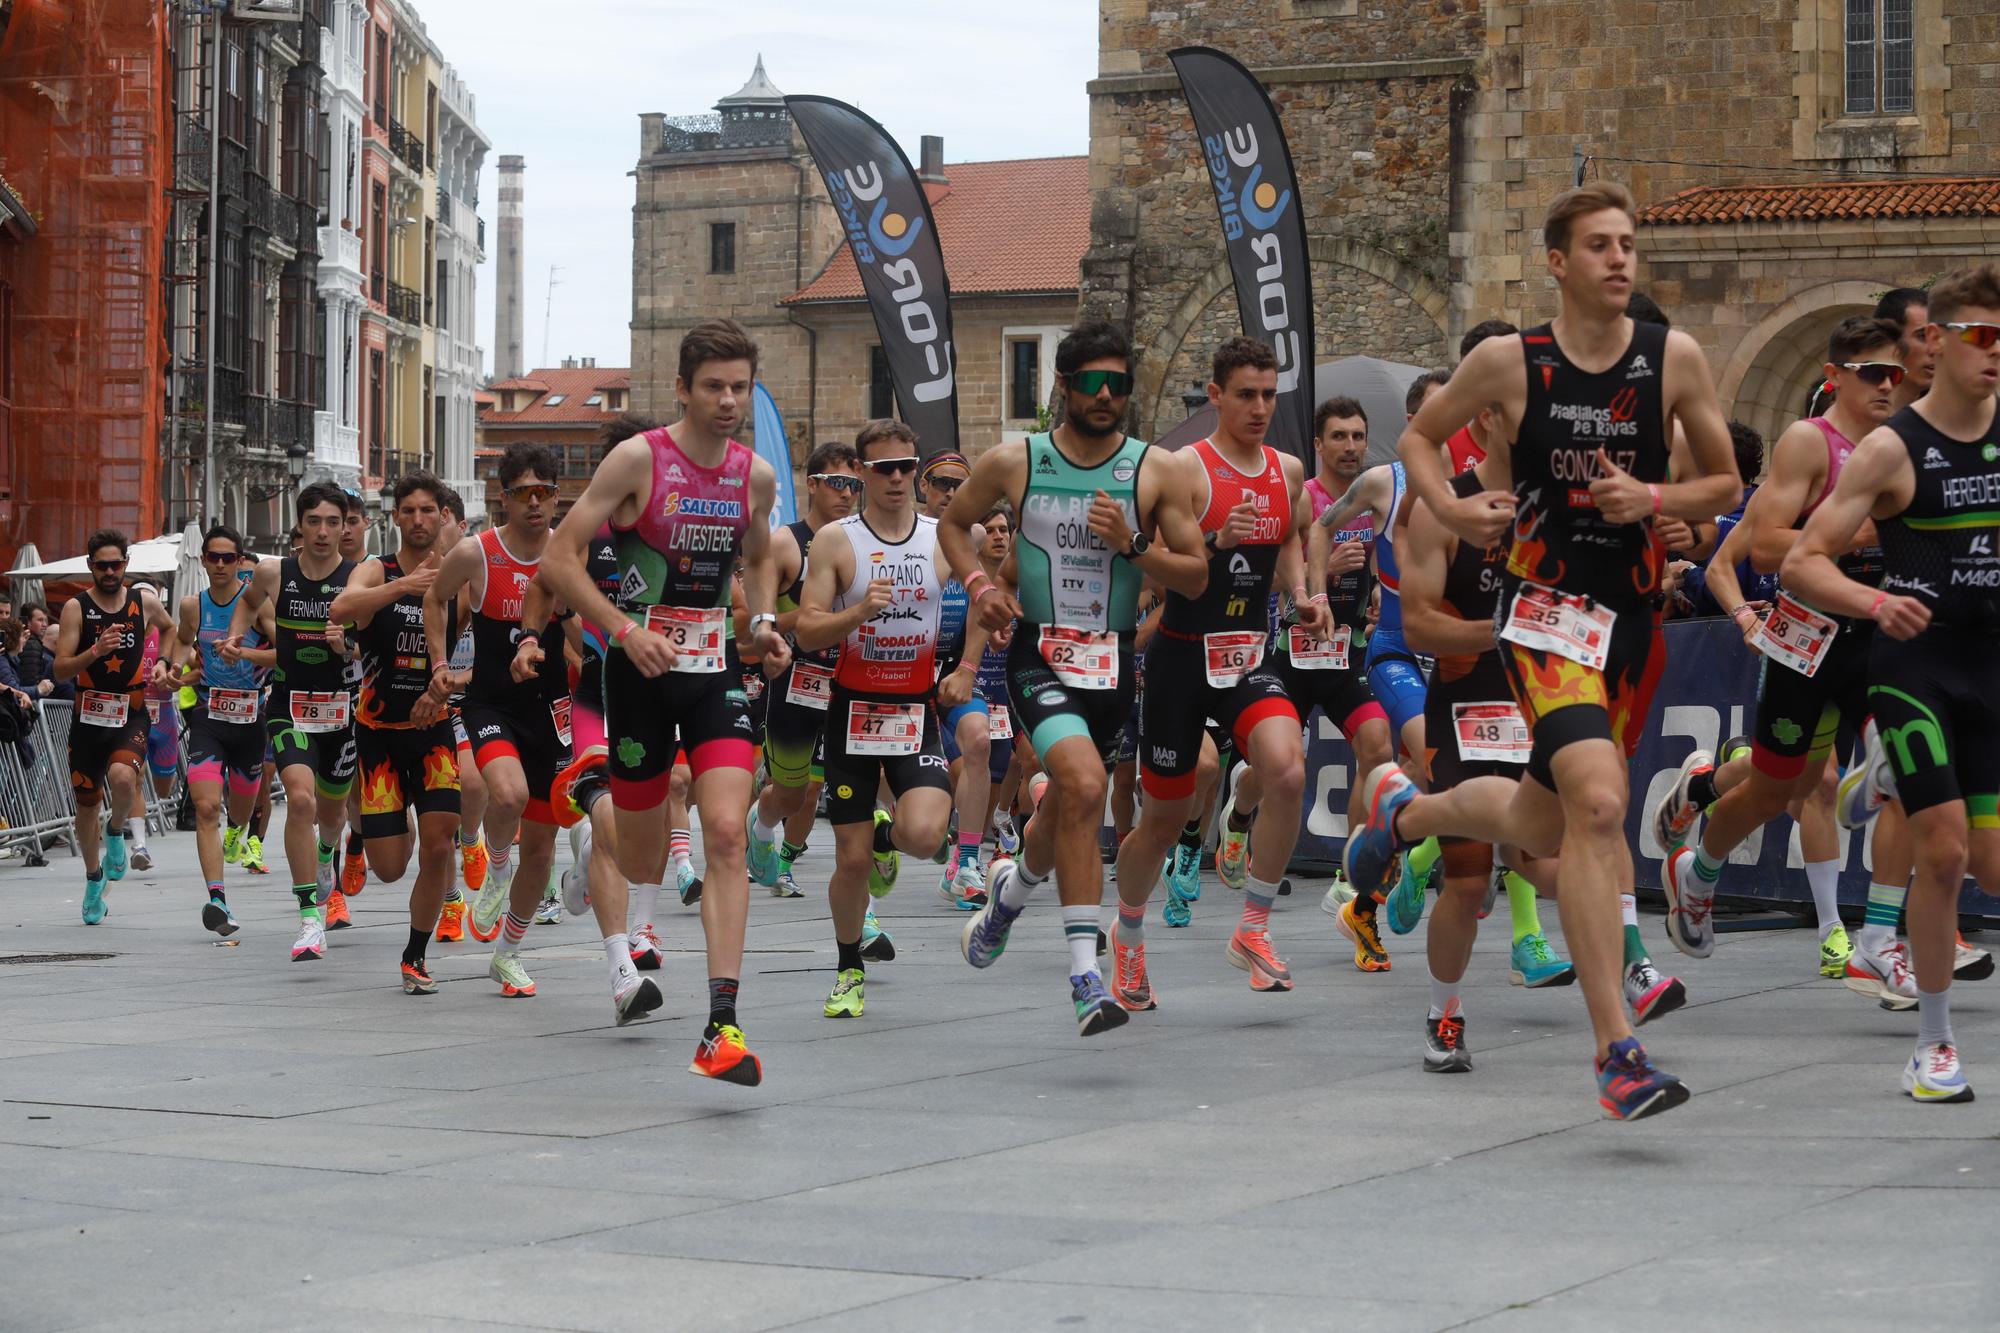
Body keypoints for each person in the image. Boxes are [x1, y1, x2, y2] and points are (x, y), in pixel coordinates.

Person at [1346, 181, 1741, 1120]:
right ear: (1557, 263)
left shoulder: (1671, 358)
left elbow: (1726, 479)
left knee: (1542, 818)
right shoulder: (1508, 363)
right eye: (1600, 245)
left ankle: (1403, 819)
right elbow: (1419, 439)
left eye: (1629, 243)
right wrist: (1448, 507)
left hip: (1634, 618)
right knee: (1600, 805)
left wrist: (1654, 501)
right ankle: (1617, 1049)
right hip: (1547, 614)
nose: (1620, 259)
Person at [539, 318, 789, 1084]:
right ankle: (594, 834)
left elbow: (758, 557)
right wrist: (619, 629)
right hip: (638, 674)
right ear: (682, 388)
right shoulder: (638, 460)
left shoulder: (753, 475)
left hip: (712, 671)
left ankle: (722, 1023)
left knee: (722, 831)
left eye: (739, 387)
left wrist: (765, 622)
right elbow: (559, 555)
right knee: (643, 855)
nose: (727, 400)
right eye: (712, 386)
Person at [940, 319, 1207, 1037]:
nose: (1106, 395)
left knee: (1066, 805)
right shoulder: (1013, 460)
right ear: (1062, 384)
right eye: (1092, 382)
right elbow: (951, 522)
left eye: (1118, 383)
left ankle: (1006, 903)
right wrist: (976, 581)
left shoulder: (1157, 469)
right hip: (1039, 652)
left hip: (1113, 661)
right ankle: (1087, 977)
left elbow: (1196, 572)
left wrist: (1135, 544)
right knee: (1086, 785)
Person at [1781, 264, 2000, 1103]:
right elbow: (1803, 561)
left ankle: (1885, 778)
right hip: (1917, 665)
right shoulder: (1891, 447)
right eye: (1980, 336)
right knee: (1942, 853)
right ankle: (1934, 1044)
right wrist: (1877, 600)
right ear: (1936, 343)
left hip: (1991, 662)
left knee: (1991, 863)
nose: (1993, 355)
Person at [1652, 318, 1907, 984]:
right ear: (1836, 377)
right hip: (1804, 633)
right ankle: (1698, 867)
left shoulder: (1907, 444)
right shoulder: (1808, 442)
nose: (1888, 385)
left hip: (1873, 632)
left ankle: (1878, 929)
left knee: (1904, 750)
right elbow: (1763, 550)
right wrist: (1863, 533)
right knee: (1771, 790)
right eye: (1873, 372)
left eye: (1896, 374)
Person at [1109, 336, 1319, 1008]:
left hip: (1247, 655)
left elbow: (1289, 536)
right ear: (1217, 395)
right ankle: (1129, 935)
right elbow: (1156, 560)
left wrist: (1302, 593)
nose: (1261, 407)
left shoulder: (1286, 469)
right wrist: (1210, 543)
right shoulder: (1183, 469)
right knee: (1164, 821)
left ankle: (1253, 928)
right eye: (1248, 394)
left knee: (1288, 768)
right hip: (1180, 656)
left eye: (1269, 394)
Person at [794, 420, 955, 1018]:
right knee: (850, 861)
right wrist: (858, 610)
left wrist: (965, 665)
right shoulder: (837, 541)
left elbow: (992, 595)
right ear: (860, 473)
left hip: (916, 708)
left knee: (924, 835)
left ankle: (889, 837)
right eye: (883, 468)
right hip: (852, 710)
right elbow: (809, 627)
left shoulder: (944, 537)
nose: (896, 479)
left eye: (907, 468)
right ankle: (848, 969)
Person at [1300, 377, 1451, 970]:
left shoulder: (1479, 484)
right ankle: (1375, 876)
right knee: (1434, 764)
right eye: (1431, 414)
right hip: (1395, 651)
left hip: (1459, 657)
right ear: (1412, 420)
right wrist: (1317, 592)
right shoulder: (1382, 483)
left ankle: (1388, 877)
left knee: (1435, 776)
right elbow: (1320, 525)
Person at [422, 445, 569, 999]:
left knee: (544, 846)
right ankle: (496, 864)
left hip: (550, 710)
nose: (536, 504)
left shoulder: (568, 553)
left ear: (557, 495)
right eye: (523, 493)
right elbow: (434, 601)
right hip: (491, 704)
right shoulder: (475, 552)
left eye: (545, 492)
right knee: (505, 796)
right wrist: (440, 664)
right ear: (501, 496)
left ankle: (508, 953)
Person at [328, 472, 461, 995]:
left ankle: (415, 955)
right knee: (389, 868)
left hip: (432, 730)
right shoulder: (373, 568)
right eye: (409, 510)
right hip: (378, 733)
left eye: (429, 510)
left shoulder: (459, 577)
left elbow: (477, 653)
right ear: (396, 517)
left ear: (443, 515)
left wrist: (446, 686)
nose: (419, 519)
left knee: (439, 841)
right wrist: (403, 587)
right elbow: (341, 609)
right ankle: (360, 836)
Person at [225, 488, 359, 960]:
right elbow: (246, 601)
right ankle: (309, 920)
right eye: (313, 521)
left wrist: (349, 647)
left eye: (332, 522)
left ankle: (327, 853)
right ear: (299, 525)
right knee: (299, 799)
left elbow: (372, 646)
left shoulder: (359, 578)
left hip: (342, 711)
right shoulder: (272, 571)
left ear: (345, 527)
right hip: (289, 705)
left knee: (332, 814)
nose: (323, 531)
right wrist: (237, 633)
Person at [746, 440, 861, 899]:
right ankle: (761, 824)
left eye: (854, 484)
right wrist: (808, 622)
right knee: (793, 794)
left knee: (854, 789)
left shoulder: (864, 538)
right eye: (837, 483)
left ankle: (859, 905)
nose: (847, 493)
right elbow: (759, 619)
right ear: (811, 484)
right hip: (796, 682)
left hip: (851, 683)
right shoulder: (786, 543)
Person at [53, 531, 179, 923]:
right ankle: (94, 881)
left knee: (125, 778)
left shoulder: (143, 601)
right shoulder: (77, 607)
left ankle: (118, 829)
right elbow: (60, 668)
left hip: (131, 710)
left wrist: (164, 664)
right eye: (101, 565)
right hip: (87, 718)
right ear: (90, 566)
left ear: (126, 563)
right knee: (86, 806)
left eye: (116, 564)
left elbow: (171, 629)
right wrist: (95, 651)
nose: (110, 572)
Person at [169, 525, 272, 937]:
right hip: (209, 716)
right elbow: (181, 641)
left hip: (251, 719)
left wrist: (244, 651)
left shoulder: (257, 605)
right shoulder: (194, 605)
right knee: (206, 807)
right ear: (205, 560)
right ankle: (217, 898)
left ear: (241, 561)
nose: (221, 565)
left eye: (229, 558)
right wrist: (174, 668)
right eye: (214, 557)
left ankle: (238, 831)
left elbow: (286, 653)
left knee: (242, 807)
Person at [919, 451, 998, 910]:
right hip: (901, 671)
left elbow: (980, 603)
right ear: (923, 487)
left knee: (980, 743)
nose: (950, 492)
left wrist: (968, 668)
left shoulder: (974, 535)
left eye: (959, 485)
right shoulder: (903, 532)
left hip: (950, 668)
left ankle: (968, 861)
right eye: (941, 482)